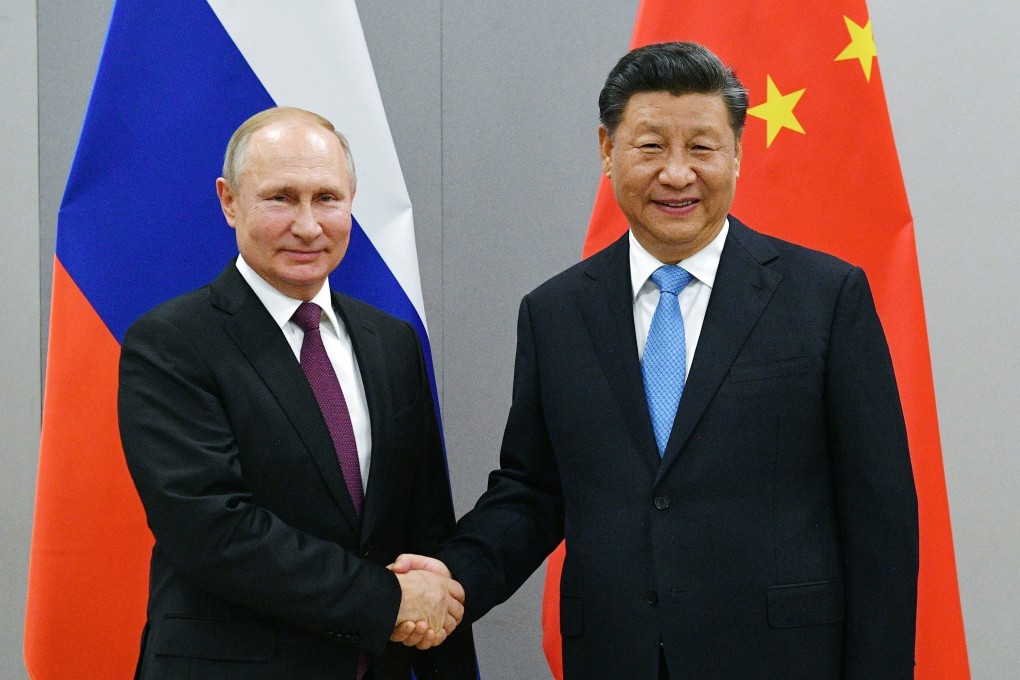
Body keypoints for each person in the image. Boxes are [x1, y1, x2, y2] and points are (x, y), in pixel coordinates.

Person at [393, 42, 919, 679]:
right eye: (650, 146)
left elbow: (880, 515)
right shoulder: (556, 312)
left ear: (737, 154)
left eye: (701, 147)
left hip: (784, 659)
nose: (676, 174)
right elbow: (534, 491)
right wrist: (453, 579)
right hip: (618, 658)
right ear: (608, 151)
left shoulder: (825, 297)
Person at [118, 106, 475, 679]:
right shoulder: (171, 343)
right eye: (281, 197)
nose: (308, 226)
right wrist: (386, 600)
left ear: (352, 199)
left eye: (327, 198)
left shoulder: (392, 342)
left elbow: (422, 524)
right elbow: (214, 531)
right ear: (229, 201)